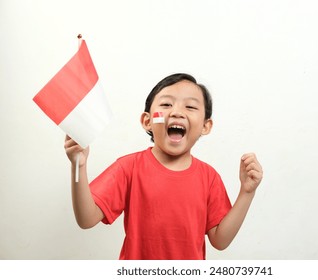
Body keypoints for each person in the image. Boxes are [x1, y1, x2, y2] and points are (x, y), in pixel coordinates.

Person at [64, 73, 263, 260]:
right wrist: (78, 166)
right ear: (147, 121)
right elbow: (86, 218)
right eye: (166, 104)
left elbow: (220, 240)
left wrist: (247, 192)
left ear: (205, 126)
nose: (177, 112)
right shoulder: (128, 167)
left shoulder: (209, 177)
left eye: (191, 107)